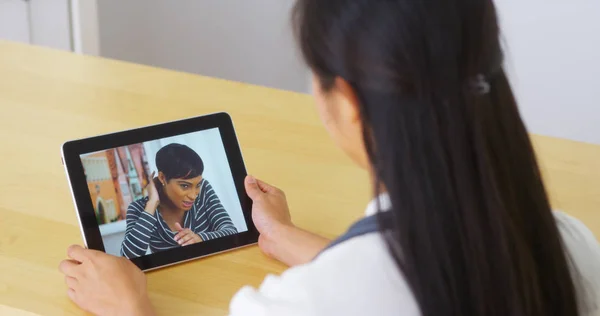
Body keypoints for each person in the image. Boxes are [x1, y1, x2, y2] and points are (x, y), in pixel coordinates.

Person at [59, 0, 600, 315]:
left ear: (351, 103)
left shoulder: (305, 304)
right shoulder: (571, 245)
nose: (195, 191)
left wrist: (131, 308)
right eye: (184, 185)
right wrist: (294, 240)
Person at [120, 143, 238, 258]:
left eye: (198, 185)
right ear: (162, 178)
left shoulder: (204, 191)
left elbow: (231, 232)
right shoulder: (139, 208)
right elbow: (128, 257)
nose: (193, 195)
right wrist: (152, 204)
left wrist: (200, 239)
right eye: (185, 186)